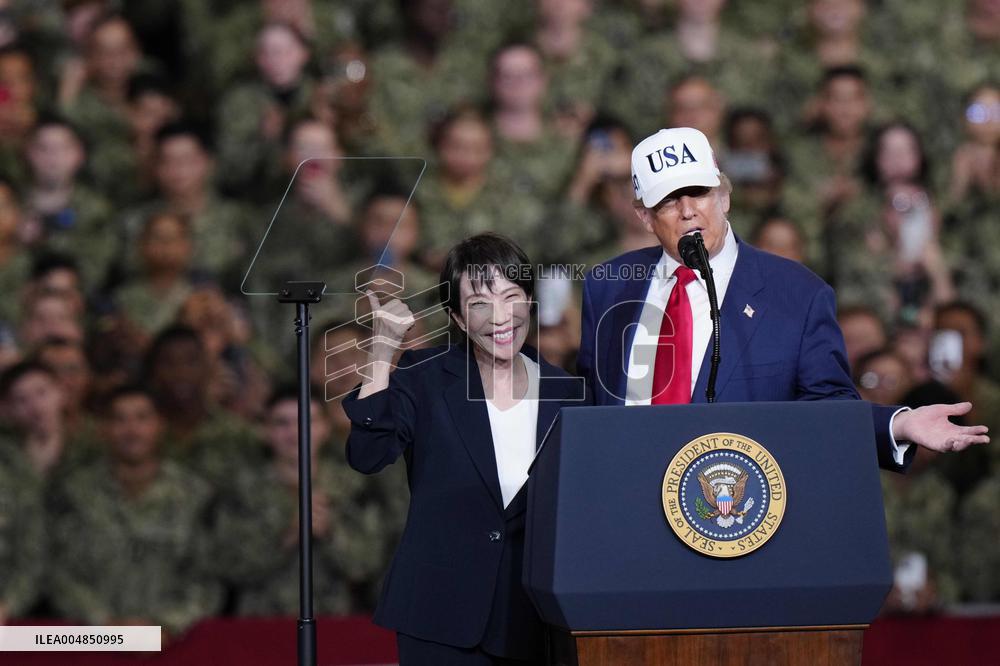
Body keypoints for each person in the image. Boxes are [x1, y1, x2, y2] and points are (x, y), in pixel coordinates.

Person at [577, 127, 988, 473]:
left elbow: (826, 409)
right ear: (644, 217)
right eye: (668, 200)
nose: (688, 212)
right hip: (628, 511)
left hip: (737, 520)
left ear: (724, 197)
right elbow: (591, 410)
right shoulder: (608, 286)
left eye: (699, 193)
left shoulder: (798, 294)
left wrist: (898, 425)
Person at [344, 233, 585, 664]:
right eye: (479, 304)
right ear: (456, 317)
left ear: (530, 301)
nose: (500, 317)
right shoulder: (425, 377)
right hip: (440, 614)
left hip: (534, 619)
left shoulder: (569, 393)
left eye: (511, 296)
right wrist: (383, 350)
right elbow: (366, 454)